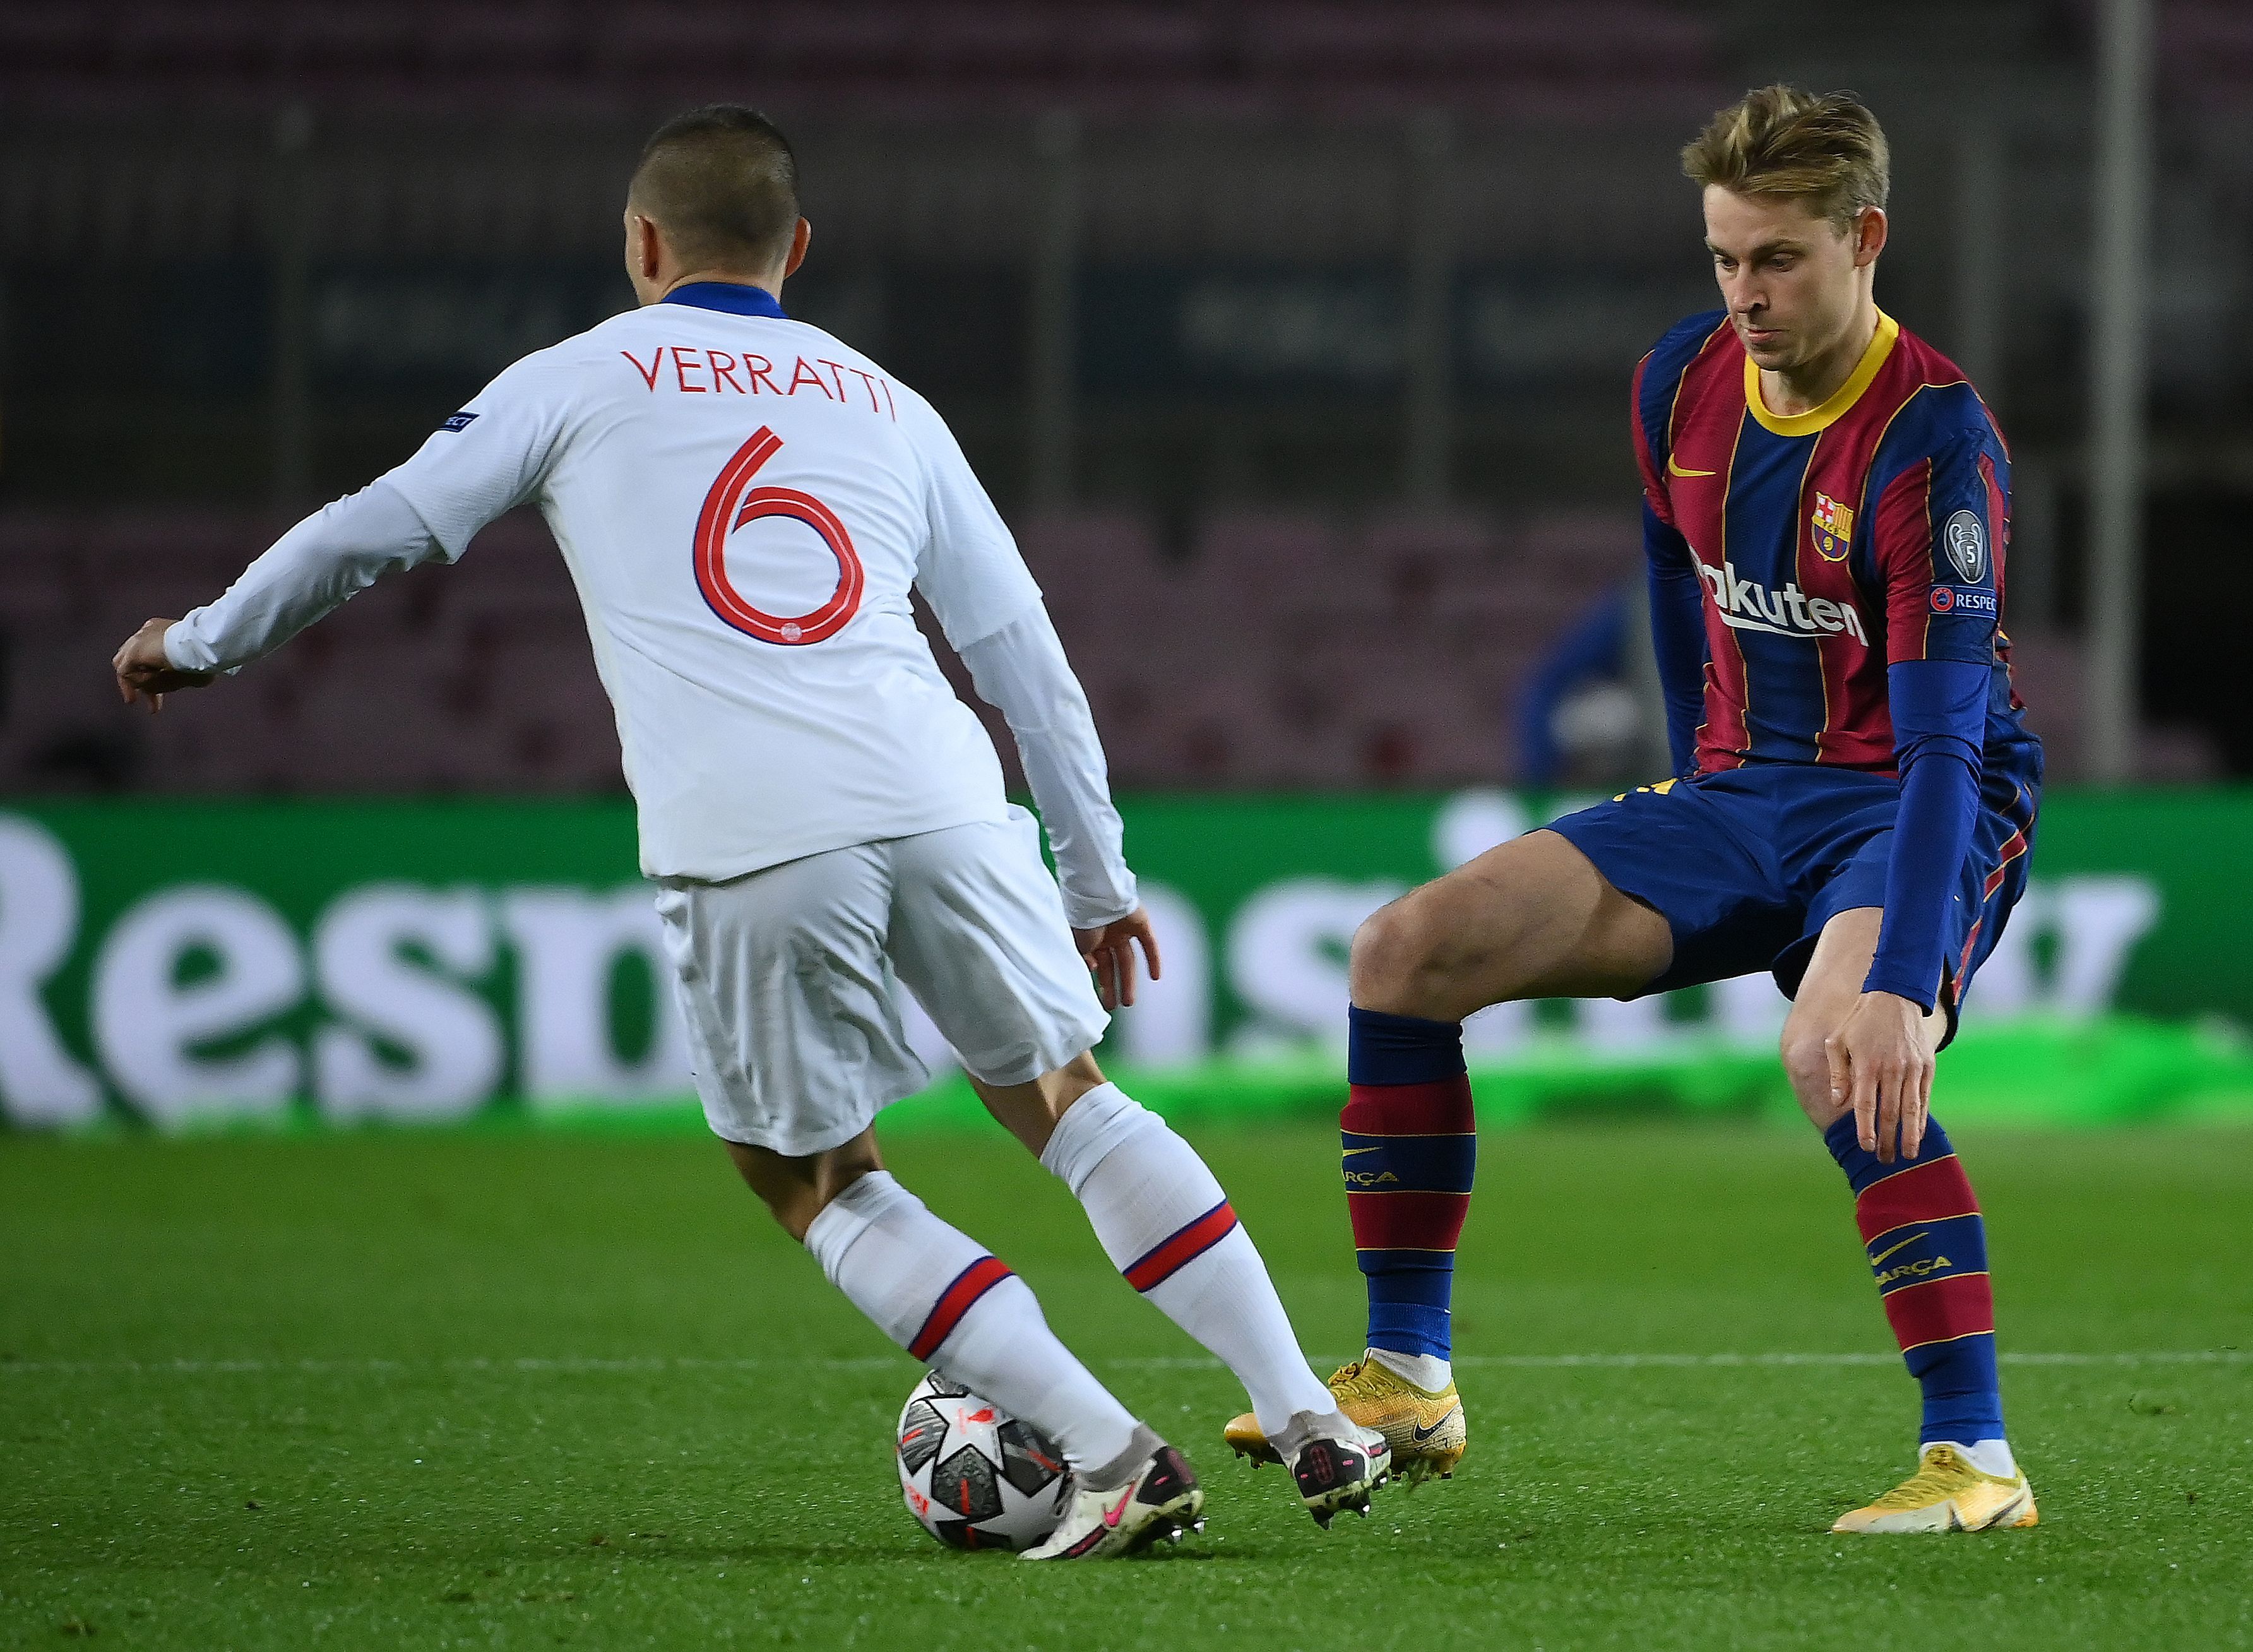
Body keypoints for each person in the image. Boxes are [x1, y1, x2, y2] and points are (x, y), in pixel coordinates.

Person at [112, 104, 1386, 1559]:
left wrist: (200, 640)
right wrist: (1096, 878)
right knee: (1067, 1095)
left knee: (811, 1173)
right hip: (943, 790)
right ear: (798, 248)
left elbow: (375, 527)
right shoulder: (888, 401)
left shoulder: (579, 375)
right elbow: (1026, 659)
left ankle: (1113, 1453)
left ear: (643, 244)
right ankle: (1306, 1414)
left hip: (755, 825)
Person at [1227, 85, 2044, 1535]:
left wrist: (1902, 979)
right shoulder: (1679, 380)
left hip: (1911, 797)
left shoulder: (1933, 440)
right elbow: (1672, 572)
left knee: (1836, 1051)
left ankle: (1974, 1460)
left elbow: (1940, 748)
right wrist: (1699, 763)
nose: (1744, 293)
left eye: (1778, 259)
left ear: (1865, 240)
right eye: (1725, 257)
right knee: (1401, 953)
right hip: (1740, 789)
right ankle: (1411, 1373)